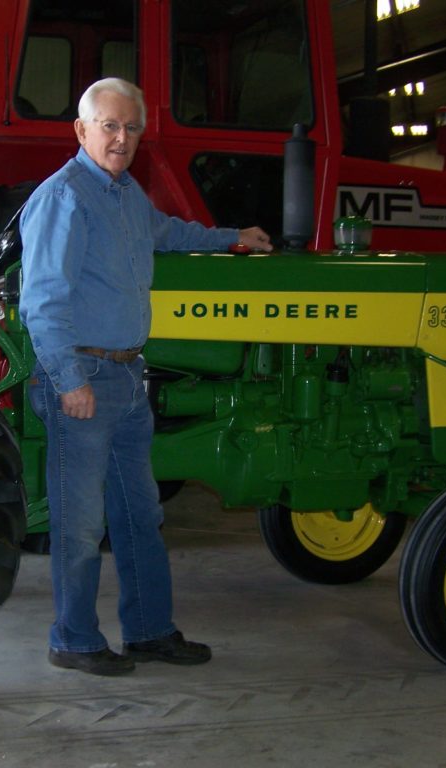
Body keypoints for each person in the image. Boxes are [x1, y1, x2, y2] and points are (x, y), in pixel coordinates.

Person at [19, 77, 272, 676]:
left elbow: (171, 233)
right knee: (81, 524)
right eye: (109, 125)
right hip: (82, 379)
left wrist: (232, 238)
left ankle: (150, 631)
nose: (122, 138)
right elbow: (42, 302)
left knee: (140, 514)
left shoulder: (127, 196)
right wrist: (69, 382)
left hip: (129, 380)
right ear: (81, 130)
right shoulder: (65, 198)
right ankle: (73, 638)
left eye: (132, 128)